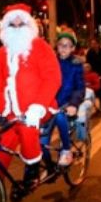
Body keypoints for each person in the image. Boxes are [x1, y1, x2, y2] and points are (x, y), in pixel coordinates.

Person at [0, 4, 60, 202]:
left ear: (29, 25)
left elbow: (52, 78)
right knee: (0, 148)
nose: (17, 29)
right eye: (12, 25)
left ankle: (32, 172)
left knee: (27, 131)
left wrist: (38, 106)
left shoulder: (40, 47)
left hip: (37, 110)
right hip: (9, 113)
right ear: (5, 27)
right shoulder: (1, 53)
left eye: (21, 24)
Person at [40, 31, 85, 167]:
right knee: (42, 145)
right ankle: (50, 168)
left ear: (72, 48)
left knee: (59, 116)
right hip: (49, 104)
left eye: (67, 45)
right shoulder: (50, 62)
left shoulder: (76, 64)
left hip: (67, 104)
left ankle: (66, 150)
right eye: (61, 45)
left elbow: (79, 88)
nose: (63, 48)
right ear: (57, 46)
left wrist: (73, 104)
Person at [85, 38, 101, 110]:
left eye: (94, 43)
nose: (93, 45)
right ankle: (95, 105)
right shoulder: (90, 52)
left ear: (98, 44)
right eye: (92, 44)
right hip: (94, 75)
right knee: (95, 91)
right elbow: (88, 63)